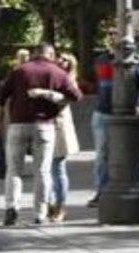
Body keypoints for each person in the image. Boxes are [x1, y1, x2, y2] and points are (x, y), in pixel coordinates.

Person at [0, 42, 81, 226]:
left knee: (13, 170)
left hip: (17, 125)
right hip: (44, 126)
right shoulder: (57, 72)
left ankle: (12, 208)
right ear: (50, 54)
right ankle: (39, 213)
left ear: (34, 54)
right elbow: (76, 95)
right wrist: (51, 94)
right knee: (42, 171)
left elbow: (0, 97)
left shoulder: (19, 71)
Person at [87, 27, 139, 208]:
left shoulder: (135, 60)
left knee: (135, 152)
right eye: (109, 34)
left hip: (128, 113)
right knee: (102, 155)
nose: (112, 37)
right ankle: (101, 191)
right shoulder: (101, 60)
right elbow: (100, 85)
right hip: (102, 112)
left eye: (115, 33)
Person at [49, 52, 80, 223]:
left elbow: (67, 99)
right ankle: (50, 205)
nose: (62, 61)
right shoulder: (52, 76)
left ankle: (60, 207)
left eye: (66, 60)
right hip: (48, 126)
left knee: (58, 168)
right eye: (60, 58)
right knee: (47, 169)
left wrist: (46, 94)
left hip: (60, 127)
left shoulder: (69, 80)